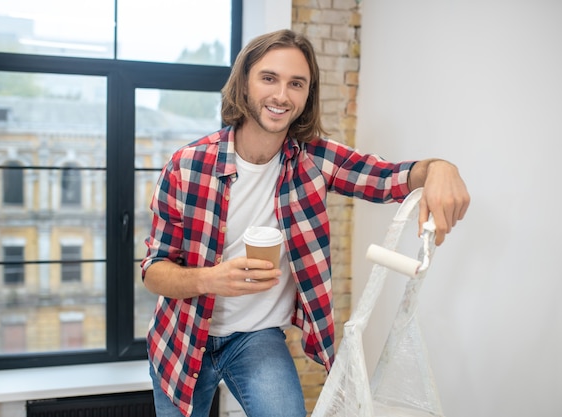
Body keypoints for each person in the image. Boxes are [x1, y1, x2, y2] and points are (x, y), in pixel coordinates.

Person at [141, 29, 470, 417]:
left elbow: (388, 178)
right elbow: (153, 271)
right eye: (269, 78)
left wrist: (442, 168)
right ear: (244, 83)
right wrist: (211, 280)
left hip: (256, 338)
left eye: (296, 84)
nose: (282, 95)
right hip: (181, 337)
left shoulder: (315, 160)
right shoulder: (187, 166)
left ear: (307, 94)